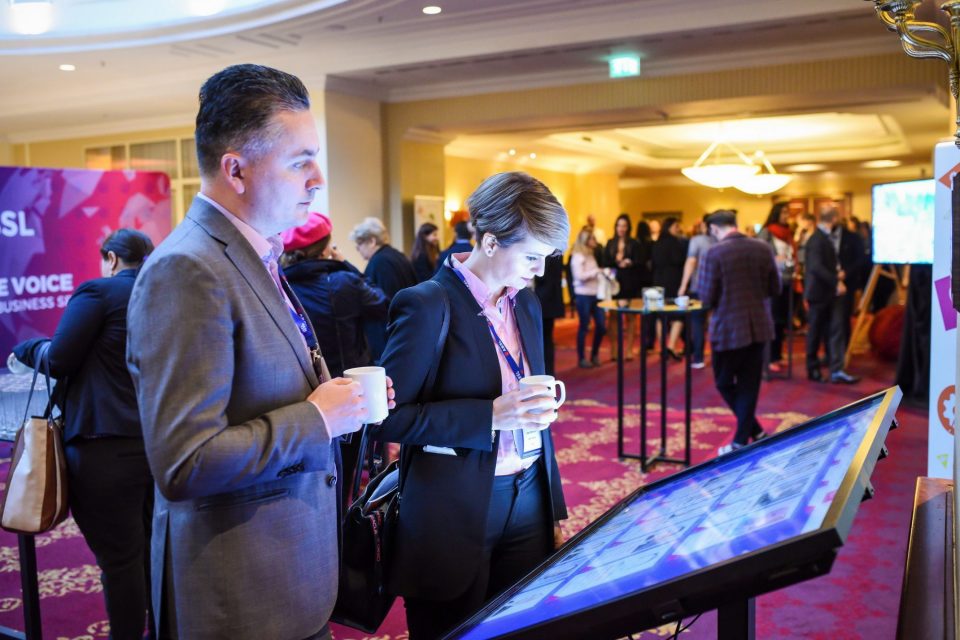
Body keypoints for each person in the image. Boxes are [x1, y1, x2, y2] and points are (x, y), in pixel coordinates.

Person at [126, 64, 391, 640]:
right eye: (300, 161)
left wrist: (339, 400)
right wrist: (318, 419)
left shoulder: (254, 253)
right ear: (236, 170)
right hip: (241, 597)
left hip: (289, 572)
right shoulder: (187, 270)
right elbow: (184, 462)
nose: (317, 179)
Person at [375, 171, 569, 640]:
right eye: (532, 257)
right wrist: (490, 417)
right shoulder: (427, 304)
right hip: (452, 506)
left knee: (518, 627)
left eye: (545, 258)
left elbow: (531, 411)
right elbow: (386, 418)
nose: (540, 271)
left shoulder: (526, 304)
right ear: (489, 241)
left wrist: (552, 508)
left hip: (529, 493)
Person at [13, 229, 154, 640]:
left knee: (120, 561)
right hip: (161, 445)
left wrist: (27, 348)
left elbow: (58, 358)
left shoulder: (98, 292)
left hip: (103, 447)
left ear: (111, 258)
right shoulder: (166, 292)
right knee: (155, 554)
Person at [281, 212, 390, 508]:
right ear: (327, 246)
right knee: (345, 476)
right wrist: (346, 264)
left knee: (307, 480)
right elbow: (382, 303)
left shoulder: (280, 285)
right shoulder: (344, 281)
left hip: (299, 395)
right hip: (347, 388)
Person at [697, 210, 780, 455]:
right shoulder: (763, 248)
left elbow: (706, 296)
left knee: (724, 382)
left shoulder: (714, 253)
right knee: (749, 384)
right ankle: (755, 433)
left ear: (714, 229)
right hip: (759, 326)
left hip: (728, 329)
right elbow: (775, 288)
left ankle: (741, 442)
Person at [349, 216, 417, 361]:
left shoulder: (379, 263)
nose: (357, 249)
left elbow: (383, 305)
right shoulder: (399, 256)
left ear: (372, 241)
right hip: (407, 333)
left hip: (388, 341)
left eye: (359, 244)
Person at [803, 209, 859, 384]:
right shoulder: (818, 239)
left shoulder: (820, 237)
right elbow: (816, 267)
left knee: (832, 331)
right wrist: (836, 281)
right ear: (834, 218)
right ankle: (813, 369)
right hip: (819, 293)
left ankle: (834, 369)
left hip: (827, 292)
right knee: (815, 332)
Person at [757, 202, 796, 371]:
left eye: (788, 212)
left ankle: (777, 355)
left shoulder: (788, 232)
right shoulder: (766, 232)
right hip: (771, 282)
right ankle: (769, 357)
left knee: (781, 321)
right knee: (772, 320)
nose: (787, 216)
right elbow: (760, 255)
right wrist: (774, 259)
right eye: (784, 212)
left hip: (787, 280)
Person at [676, 214, 717, 369]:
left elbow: (691, 261)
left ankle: (698, 358)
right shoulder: (721, 241)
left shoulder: (697, 241)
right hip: (718, 287)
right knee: (715, 322)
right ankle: (717, 356)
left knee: (698, 323)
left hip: (699, 286)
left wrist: (683, 285)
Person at [603, 213, 642, 361]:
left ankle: (629, 350)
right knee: (613, 316)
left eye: (624, 226)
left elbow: (640, 262)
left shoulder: (634, 243)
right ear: (616, 227)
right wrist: (616, 261)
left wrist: (629, 262)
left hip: (629, 282)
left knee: (630, 317)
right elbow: (605, 262)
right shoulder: (610, 242)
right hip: (614, 283)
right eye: (619, 225)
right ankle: (614, 349)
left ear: (628, 227)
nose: (621, 228)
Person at [652, 216, 688, 359]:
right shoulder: (676, 243)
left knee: (660, 316)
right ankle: (671, 346)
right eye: (676, 226)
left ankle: (663, 348)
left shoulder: (657, 243)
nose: (678, 229)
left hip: (658, 282)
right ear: (670, 227)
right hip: (673, 282)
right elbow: (679, 260)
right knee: (678, 315)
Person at [570, 227, 607, 368]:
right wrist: (596, 272)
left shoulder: (591, 255)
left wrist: (600, 272)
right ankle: (581, 358)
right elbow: (579, 276)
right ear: (585, 240)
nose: (595, 241)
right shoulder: (578, 256)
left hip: (596, 294)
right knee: (584, 326)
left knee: (601, 326)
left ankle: (594, 354)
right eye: (592, 238)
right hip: (583, 295)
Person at [535, 253, 565, 376]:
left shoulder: (544, 253)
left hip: (543, 299)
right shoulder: (557, 252)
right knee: (547, 338)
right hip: (553, 298)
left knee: (542, 339)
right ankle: (549, 372)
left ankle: (545, 372)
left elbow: (540, 277)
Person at [635, 220, 656, 349]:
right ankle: (650, 339)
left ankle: (645, 340)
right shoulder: (652, 244)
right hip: (651, 280)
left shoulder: (636, 245)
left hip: (639, 282)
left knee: (643, 313)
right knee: (651, 312)